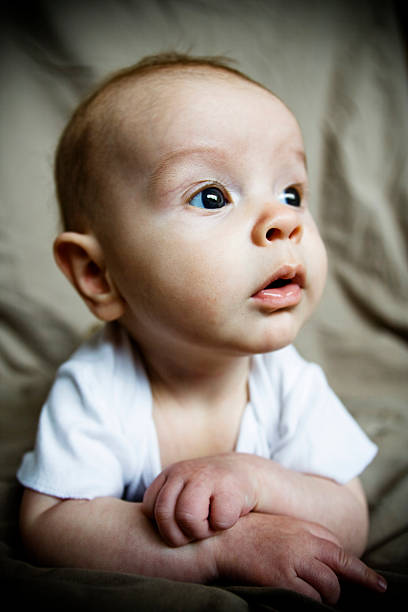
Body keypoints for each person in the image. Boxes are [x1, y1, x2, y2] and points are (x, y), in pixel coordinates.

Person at [17, 52, 387, 604]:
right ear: (99, 274)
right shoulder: (98, 384)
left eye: (292, 193)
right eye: (211, 197)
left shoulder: (287, 380)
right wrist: (220, 547)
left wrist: (257, 479)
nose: (284, 221)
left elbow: (349, 514)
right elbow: (52, 524)